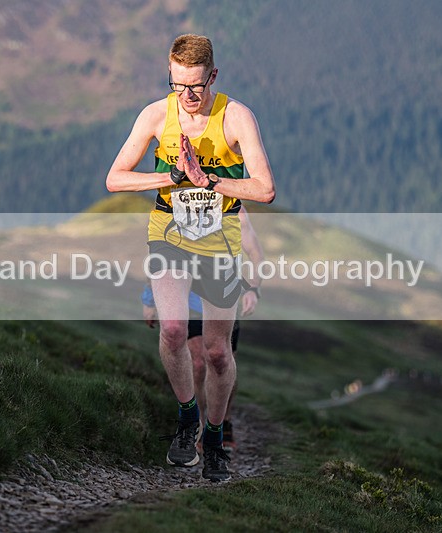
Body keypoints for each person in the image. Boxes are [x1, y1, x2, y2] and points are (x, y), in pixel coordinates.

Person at [107, 33, 275, 482]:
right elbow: (115, 178)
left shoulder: (236, 117)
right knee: (175, 329)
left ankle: (216, 438)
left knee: (219, 353)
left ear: (213, 77)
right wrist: (171, 174)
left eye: (195, 87)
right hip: (170, 234)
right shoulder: (155, 115)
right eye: (177, 85)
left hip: (220, 242)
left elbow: (265, 189)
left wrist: (210, 182)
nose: (187, 97)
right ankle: (187, 420)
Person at [142, 207, 264, 453]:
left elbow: (255, 254)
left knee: (221, 359)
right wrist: (149, 299)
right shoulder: (177, 200)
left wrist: (253, 288)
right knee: (197, 363)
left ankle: (222, 420)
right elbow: (161, 255)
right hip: (190, 301)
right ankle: (195, 423)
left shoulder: (236, 210)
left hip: (223, 296)